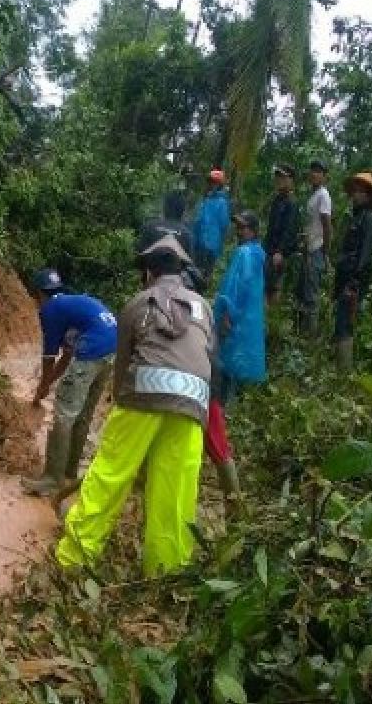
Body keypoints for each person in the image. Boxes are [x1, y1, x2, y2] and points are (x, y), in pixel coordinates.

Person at [56, 235, 213, 577]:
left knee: (110, 475)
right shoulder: (204, 308)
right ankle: (165, 571)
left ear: (148, 273)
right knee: (175, 489)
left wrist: (120, 413)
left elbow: (123, 364)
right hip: (194, 404)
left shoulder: (138, 304)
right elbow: (205, 357)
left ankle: (74, 558)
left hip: (142, 394)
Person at [23, 270, 117, 496]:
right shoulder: (71, 305)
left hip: (92, 350)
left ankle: (52, 479)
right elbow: (65, 357)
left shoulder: (50, 310)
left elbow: (49, 357)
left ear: (38, 294)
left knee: (63, 414)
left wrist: (43, 387)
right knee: (83, 414)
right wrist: (46, 385)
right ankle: (69, 471)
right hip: (111, 349)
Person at [215, 210, 268, 399]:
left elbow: (238, 286)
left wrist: (228, 314)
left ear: (253, 231)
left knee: (229, 364)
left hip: (237, 318)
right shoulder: (257, 253)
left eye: (243, 227)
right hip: (248, 318)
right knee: (238, 365)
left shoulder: (245, 253)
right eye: (237, 227)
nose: (238, 231)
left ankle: (224, 412)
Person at [334, 170, 372, 369]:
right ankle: (339, 367)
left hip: (354, 283)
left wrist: (354, 282)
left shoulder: (369, 219)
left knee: (346, 324)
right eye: (354, 191)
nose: (355, 194)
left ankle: (344, 372)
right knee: (340, 322)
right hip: (345, 279)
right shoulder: (356, 218)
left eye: (360, 191)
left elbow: (365, 254)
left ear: (368, 195)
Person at [137, 190, 204, 292]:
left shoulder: (149, 227)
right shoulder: (186, 234)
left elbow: (139, 258)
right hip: (176, 286)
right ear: (182, 211)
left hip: (149, 283)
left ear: (165, 207)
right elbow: (189, 266)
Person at [295, 160, 333, 335]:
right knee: (303, 291)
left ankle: (310, 337)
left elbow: (327, 225)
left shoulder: (323, 195)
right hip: (308, 249)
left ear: (324, 176)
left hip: (316, 249)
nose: (315, 174)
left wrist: (326, 252)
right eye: (313, 171)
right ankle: (302, 333)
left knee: (311, 294)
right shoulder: (313, 195)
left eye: (319, 171)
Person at [264, 165, 299, 308]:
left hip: (279, 252)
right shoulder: (277, 200)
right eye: (278, 176)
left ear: (291, 180)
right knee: (266, 284)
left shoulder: (291, 203)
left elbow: (289, 230)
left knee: (274, 287)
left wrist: (280, 251)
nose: (279, 180)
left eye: (283, 177)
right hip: (270, 249)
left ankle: (271, 319)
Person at [190, 168, 231, 280]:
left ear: (219, 185)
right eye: (210, 181)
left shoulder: (222, 202)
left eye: (215, 182)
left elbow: (224, 225)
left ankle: (200, 294)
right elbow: (197, 220)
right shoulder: (205, 200)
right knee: (194, 272)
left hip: (211, 245)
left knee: (204, 276)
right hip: (198, 243)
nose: (212, 184)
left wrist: (218, 244)